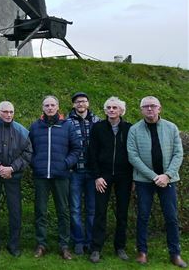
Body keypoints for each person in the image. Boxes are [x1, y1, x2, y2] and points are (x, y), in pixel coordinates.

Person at [127, 96, 186, 268]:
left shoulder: (171, 127)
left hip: (168, 180)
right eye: (146, 106)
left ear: (159, 108)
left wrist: (167, 175)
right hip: (144, 181)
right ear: (141, 110)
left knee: (171, 217)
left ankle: (175, 254)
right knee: (143, 216)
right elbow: (133, 156)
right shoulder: (135, 130)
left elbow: (178, 154)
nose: (150, 109)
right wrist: (154, 176)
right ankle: (142, 252)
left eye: (153, 106)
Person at [29, 95, 81, 260]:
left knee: (63, 211)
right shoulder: (35, 126)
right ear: (42, 108)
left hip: (61, 175)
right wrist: (35, 164)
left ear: (58, 107)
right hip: (41, 176)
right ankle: (41, 244)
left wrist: (66, 164)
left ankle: (64, 246)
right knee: (40, 211)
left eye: (52, 105)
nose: (50, 107)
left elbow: (76, 149)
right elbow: (28, 150)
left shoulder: (67, 126)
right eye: (47, 105)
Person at [0, 101, 32, 258]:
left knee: (16, 211)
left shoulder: (22, 131)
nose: (8, 114)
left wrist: (11, 168)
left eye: (11, 111)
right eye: (5, 112)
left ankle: (14, 244)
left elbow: (27, 153)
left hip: (13, 176)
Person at [88, 97, 132, 263]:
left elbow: (134, 154)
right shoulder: (98, 128)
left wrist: (133, 178)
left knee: (122, 213)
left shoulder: (129, 128)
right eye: (109, 107)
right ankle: (96, 248)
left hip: (124, 176)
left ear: (121, 111)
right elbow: (92, 153)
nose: (112, 110)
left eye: (115, 107)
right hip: (103, 176)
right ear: (105, 110)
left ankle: (120, 247)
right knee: (100, 212)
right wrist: (97, 176)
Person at [67, 92, 100, 255]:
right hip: (75, 172)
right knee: (75, 208)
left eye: (84, 101)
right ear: (74, 105)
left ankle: (90, 241)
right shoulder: (67, 122)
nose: (81, 104)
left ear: (88, 103)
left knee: (92, 209)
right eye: (78, 102)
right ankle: (78, 241)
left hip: (93, 173)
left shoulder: (97, 121)